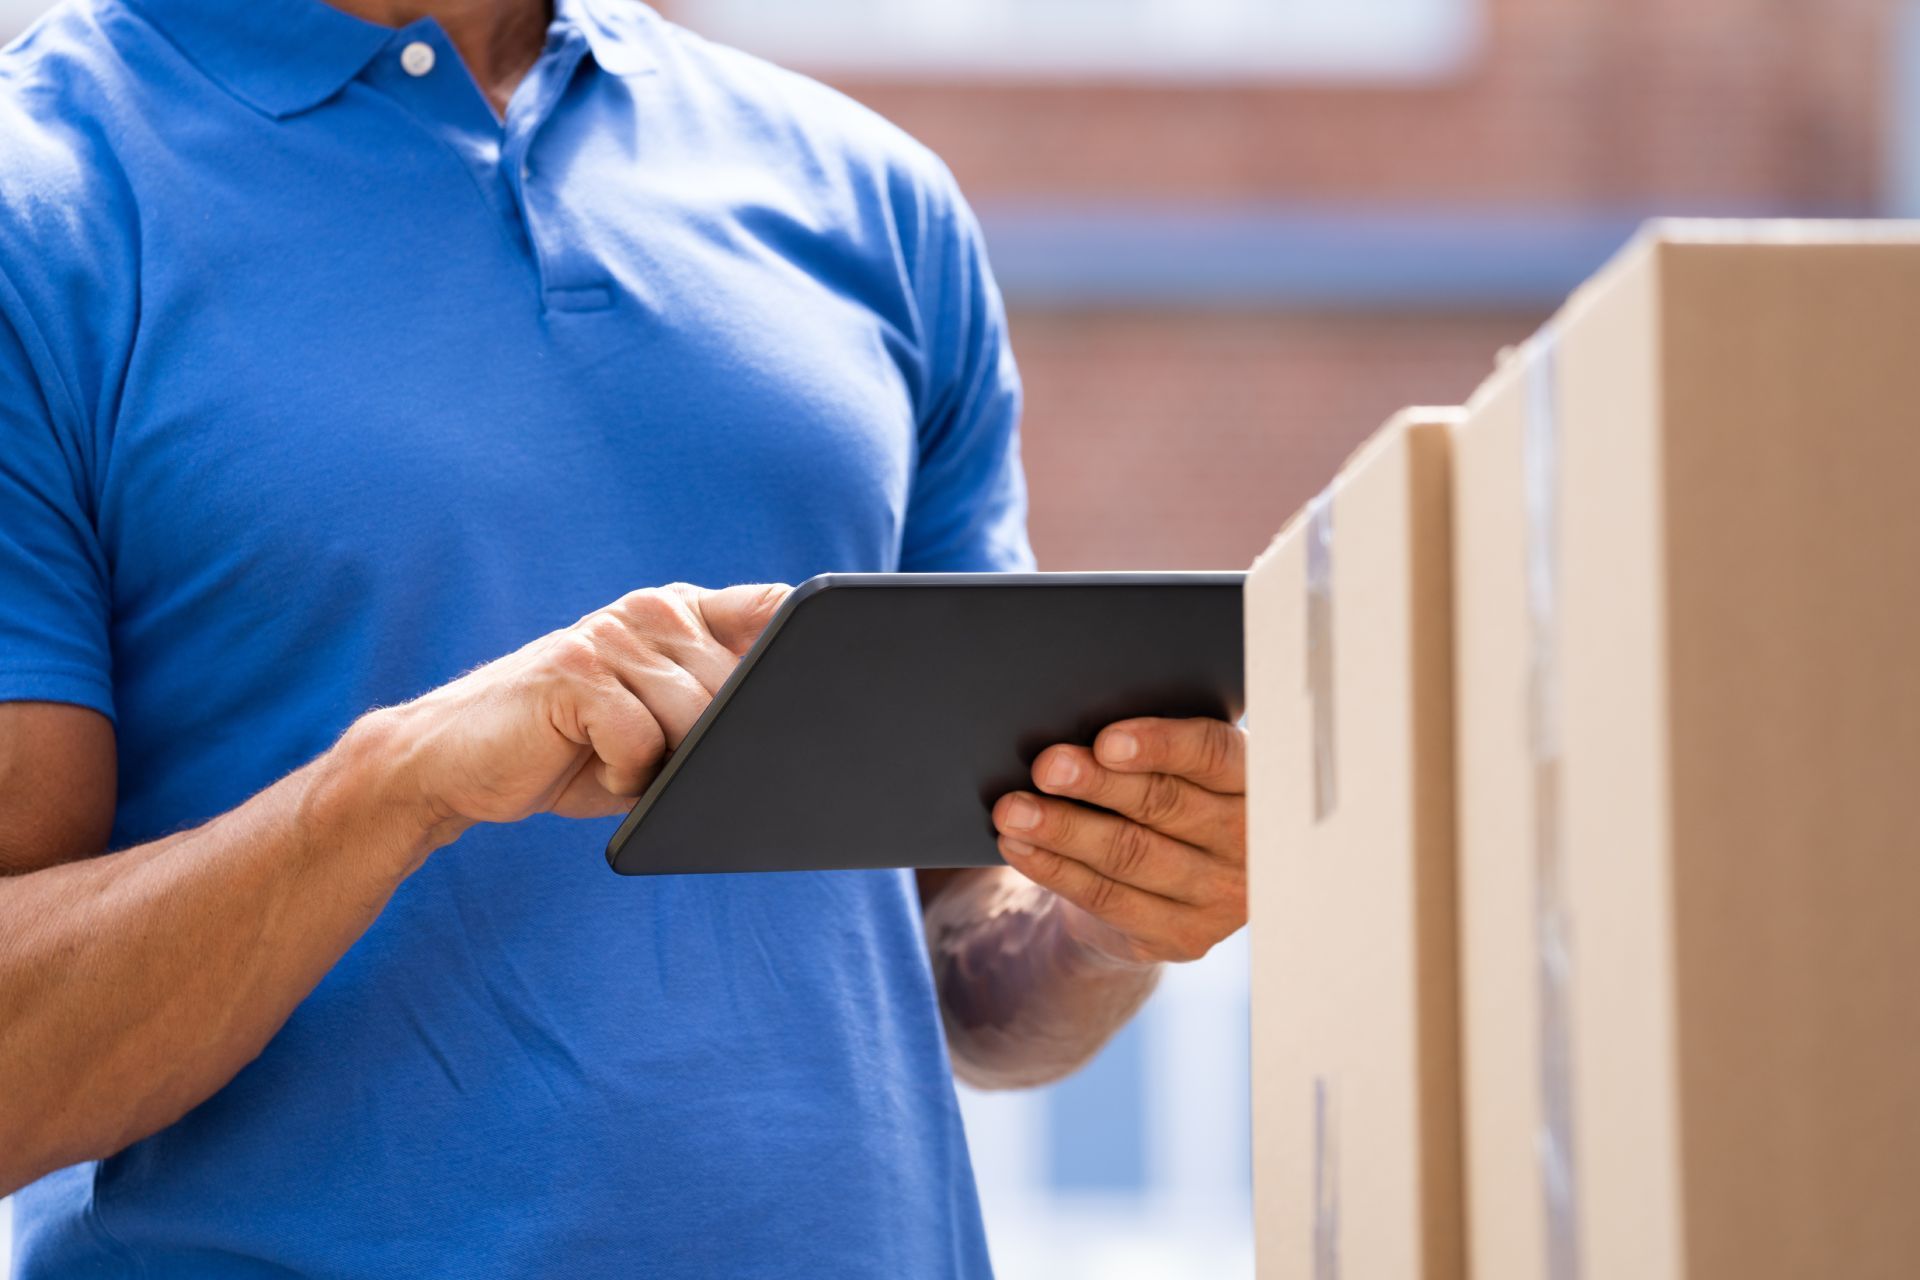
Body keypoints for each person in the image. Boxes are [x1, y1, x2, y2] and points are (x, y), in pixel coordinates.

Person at [0, 0, 1249, 1274]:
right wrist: (392, 788)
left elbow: (958, 962)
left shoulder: (871, 200)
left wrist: (1106, 909)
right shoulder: (39, 194)